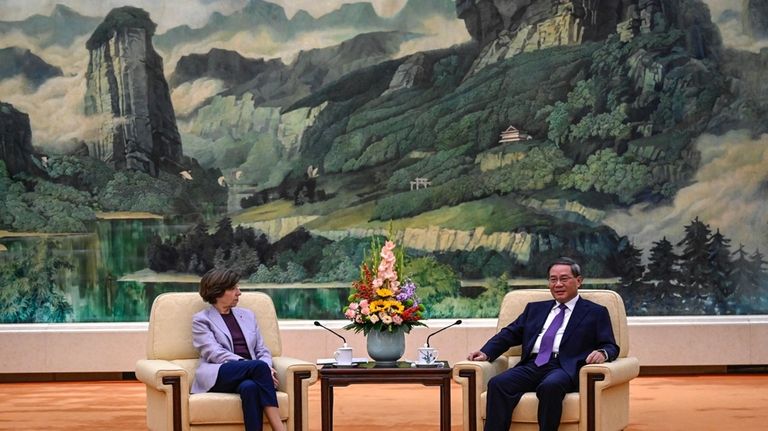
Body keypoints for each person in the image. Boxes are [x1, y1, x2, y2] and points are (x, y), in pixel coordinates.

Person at [467, 257, 619, 431]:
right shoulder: (534, 309)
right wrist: (486, 352)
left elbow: (610, 345)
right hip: (533, 363)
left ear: (579, 281)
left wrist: (603, 353)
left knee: (550, 386)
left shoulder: (595, 312)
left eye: (564, 278)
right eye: (553, 279)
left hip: (564, 367)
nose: (558, 284)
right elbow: (509, 333)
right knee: (498, 384)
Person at [191, 268, 285, 431]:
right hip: (220, 373)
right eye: (233, 288)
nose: (239, 293)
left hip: (251, 375)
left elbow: (262, 349)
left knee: (250, 388)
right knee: (258, 367)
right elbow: (214, 354)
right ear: (218, 292)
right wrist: (255, 367)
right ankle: (280, 428)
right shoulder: (201, 320)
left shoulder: (248, 315)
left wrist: (264, 367)